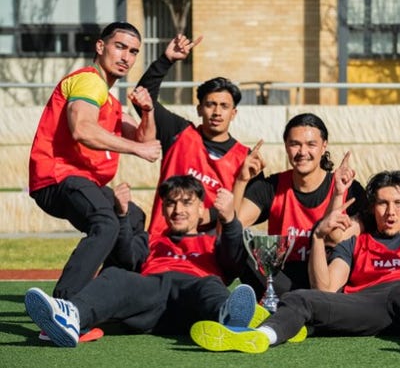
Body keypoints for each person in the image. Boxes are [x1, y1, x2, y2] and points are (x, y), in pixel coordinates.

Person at [191, 170, 400, 357]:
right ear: (371, 207)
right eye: (382, 203)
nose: (390, 211)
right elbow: (327, 288)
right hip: (368, 303)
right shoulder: (356, 239)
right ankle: (260, 336)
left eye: (398, 203)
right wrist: (318, 237)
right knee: (300, 298)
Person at [23, 175, 255, 348]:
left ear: (202, 209)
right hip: (150, 298)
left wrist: (230, 221)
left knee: (210, 284)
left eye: (186, 202)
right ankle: (72, 316)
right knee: (117, 277)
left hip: (194, 298)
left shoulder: (211, 242)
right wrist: (122, 216)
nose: (178, 209)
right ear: (162, 209)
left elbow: (233, 262)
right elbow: (127, 257)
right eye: (171, 203)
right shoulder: (152, 240)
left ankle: (229, 319)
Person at [27, 22, 161, 303]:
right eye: (120, 47)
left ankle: (110, 294)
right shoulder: (89, 82)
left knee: (133, 218)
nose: (126, 56)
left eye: (134, 51)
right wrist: (137, 149)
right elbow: (83, 129)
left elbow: (143, 136)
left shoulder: (110, 101)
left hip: (84, 183)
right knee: (106, 222)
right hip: (58, 177)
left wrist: (147, 112)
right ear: (100, 47)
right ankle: (65, 304)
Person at [132, 34, 264, 240]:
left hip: (208, 253)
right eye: (210, 105)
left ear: (234, 113)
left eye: (224, 106)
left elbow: (249, 211)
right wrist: (166, 60)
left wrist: (207, 215)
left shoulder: (245, 160)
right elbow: (143, 98)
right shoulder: (179, 133)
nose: (217, 112)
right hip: (161, 241)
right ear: (199, 109)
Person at [234, 113, 366, 297]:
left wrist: (337, 193)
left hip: (326, 277)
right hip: (281, 276)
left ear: (323, 146)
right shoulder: (272, 187)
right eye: (295, 144)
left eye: (311, 144)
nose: (302, 152)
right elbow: (232, 226)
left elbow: (334, 238)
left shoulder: (350, 189)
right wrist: (242, 180)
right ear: (286, 146)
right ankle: (264, 303)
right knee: (233, 242)